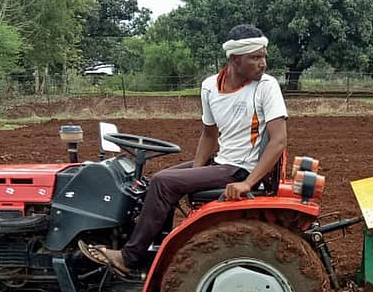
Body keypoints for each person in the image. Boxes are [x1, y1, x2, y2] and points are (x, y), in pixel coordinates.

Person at [80, 24, 288, 275]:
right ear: (234, 59)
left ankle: (128, 257)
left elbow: (278, 141)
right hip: (221, 161)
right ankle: (153, 251)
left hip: (241, 169)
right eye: (255, 57)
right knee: (151, 184)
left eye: (263, 56)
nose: (263, 63)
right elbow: (209, 134)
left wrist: (247, 183)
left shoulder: (266, 86)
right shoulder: (210, 86)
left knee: (162, 182)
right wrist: (196, 173)